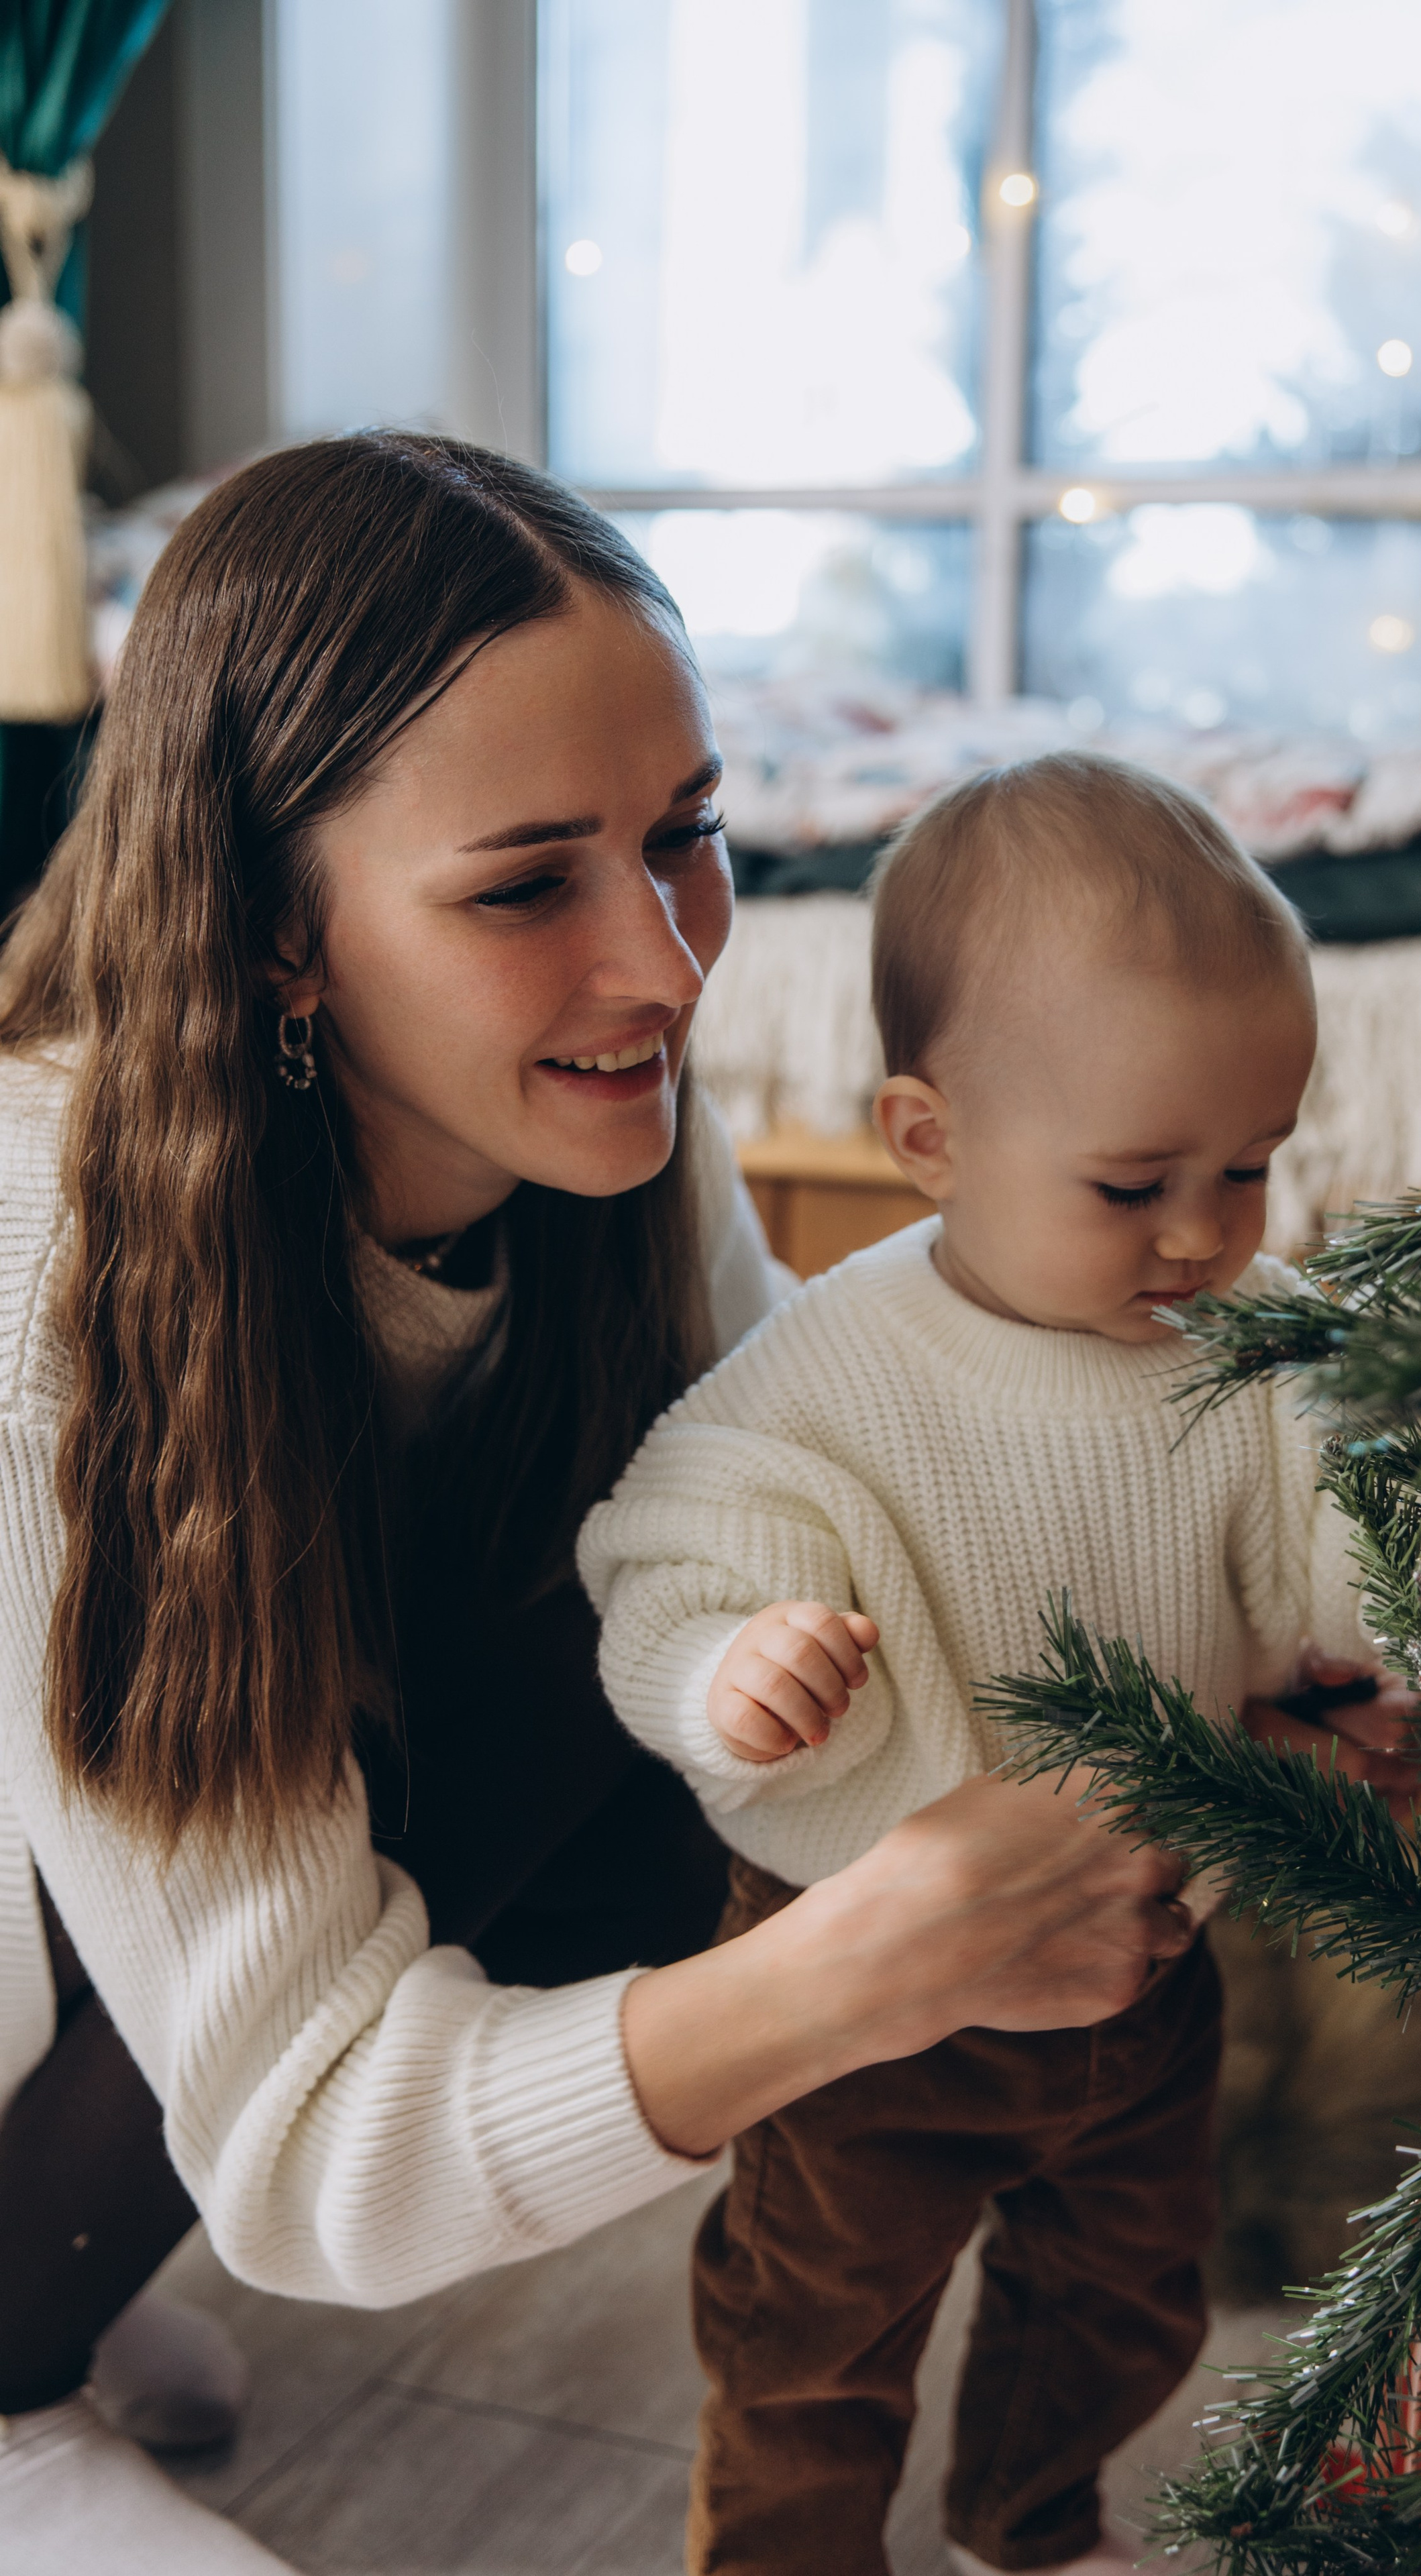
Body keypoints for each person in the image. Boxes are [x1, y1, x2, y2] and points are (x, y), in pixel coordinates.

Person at [0, 442, 1251, 2576]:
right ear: (276, 931)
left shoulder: (617, 1137)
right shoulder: (51, 1287)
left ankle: (54, 2314)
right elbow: (315, 2131)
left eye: (688, 838)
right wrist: (865, 1966)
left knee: (672, 1628)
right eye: (523, 888)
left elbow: (853, 1520)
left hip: (186, 1942)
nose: (667, 969)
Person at [580, 749, 1419, 2576]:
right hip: (861, 1996)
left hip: (1144, 1951)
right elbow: (671, 1545)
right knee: (817, 2342)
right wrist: (734, 1664)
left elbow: (1346, 1534)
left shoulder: (1251, 1339)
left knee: (1121, 2299)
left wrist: (1400, 1643)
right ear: (927, 1139)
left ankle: (1026, 2527)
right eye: (1133, 1186)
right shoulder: (834, 1371)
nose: (1204, 1232)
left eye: (1252, 1167)